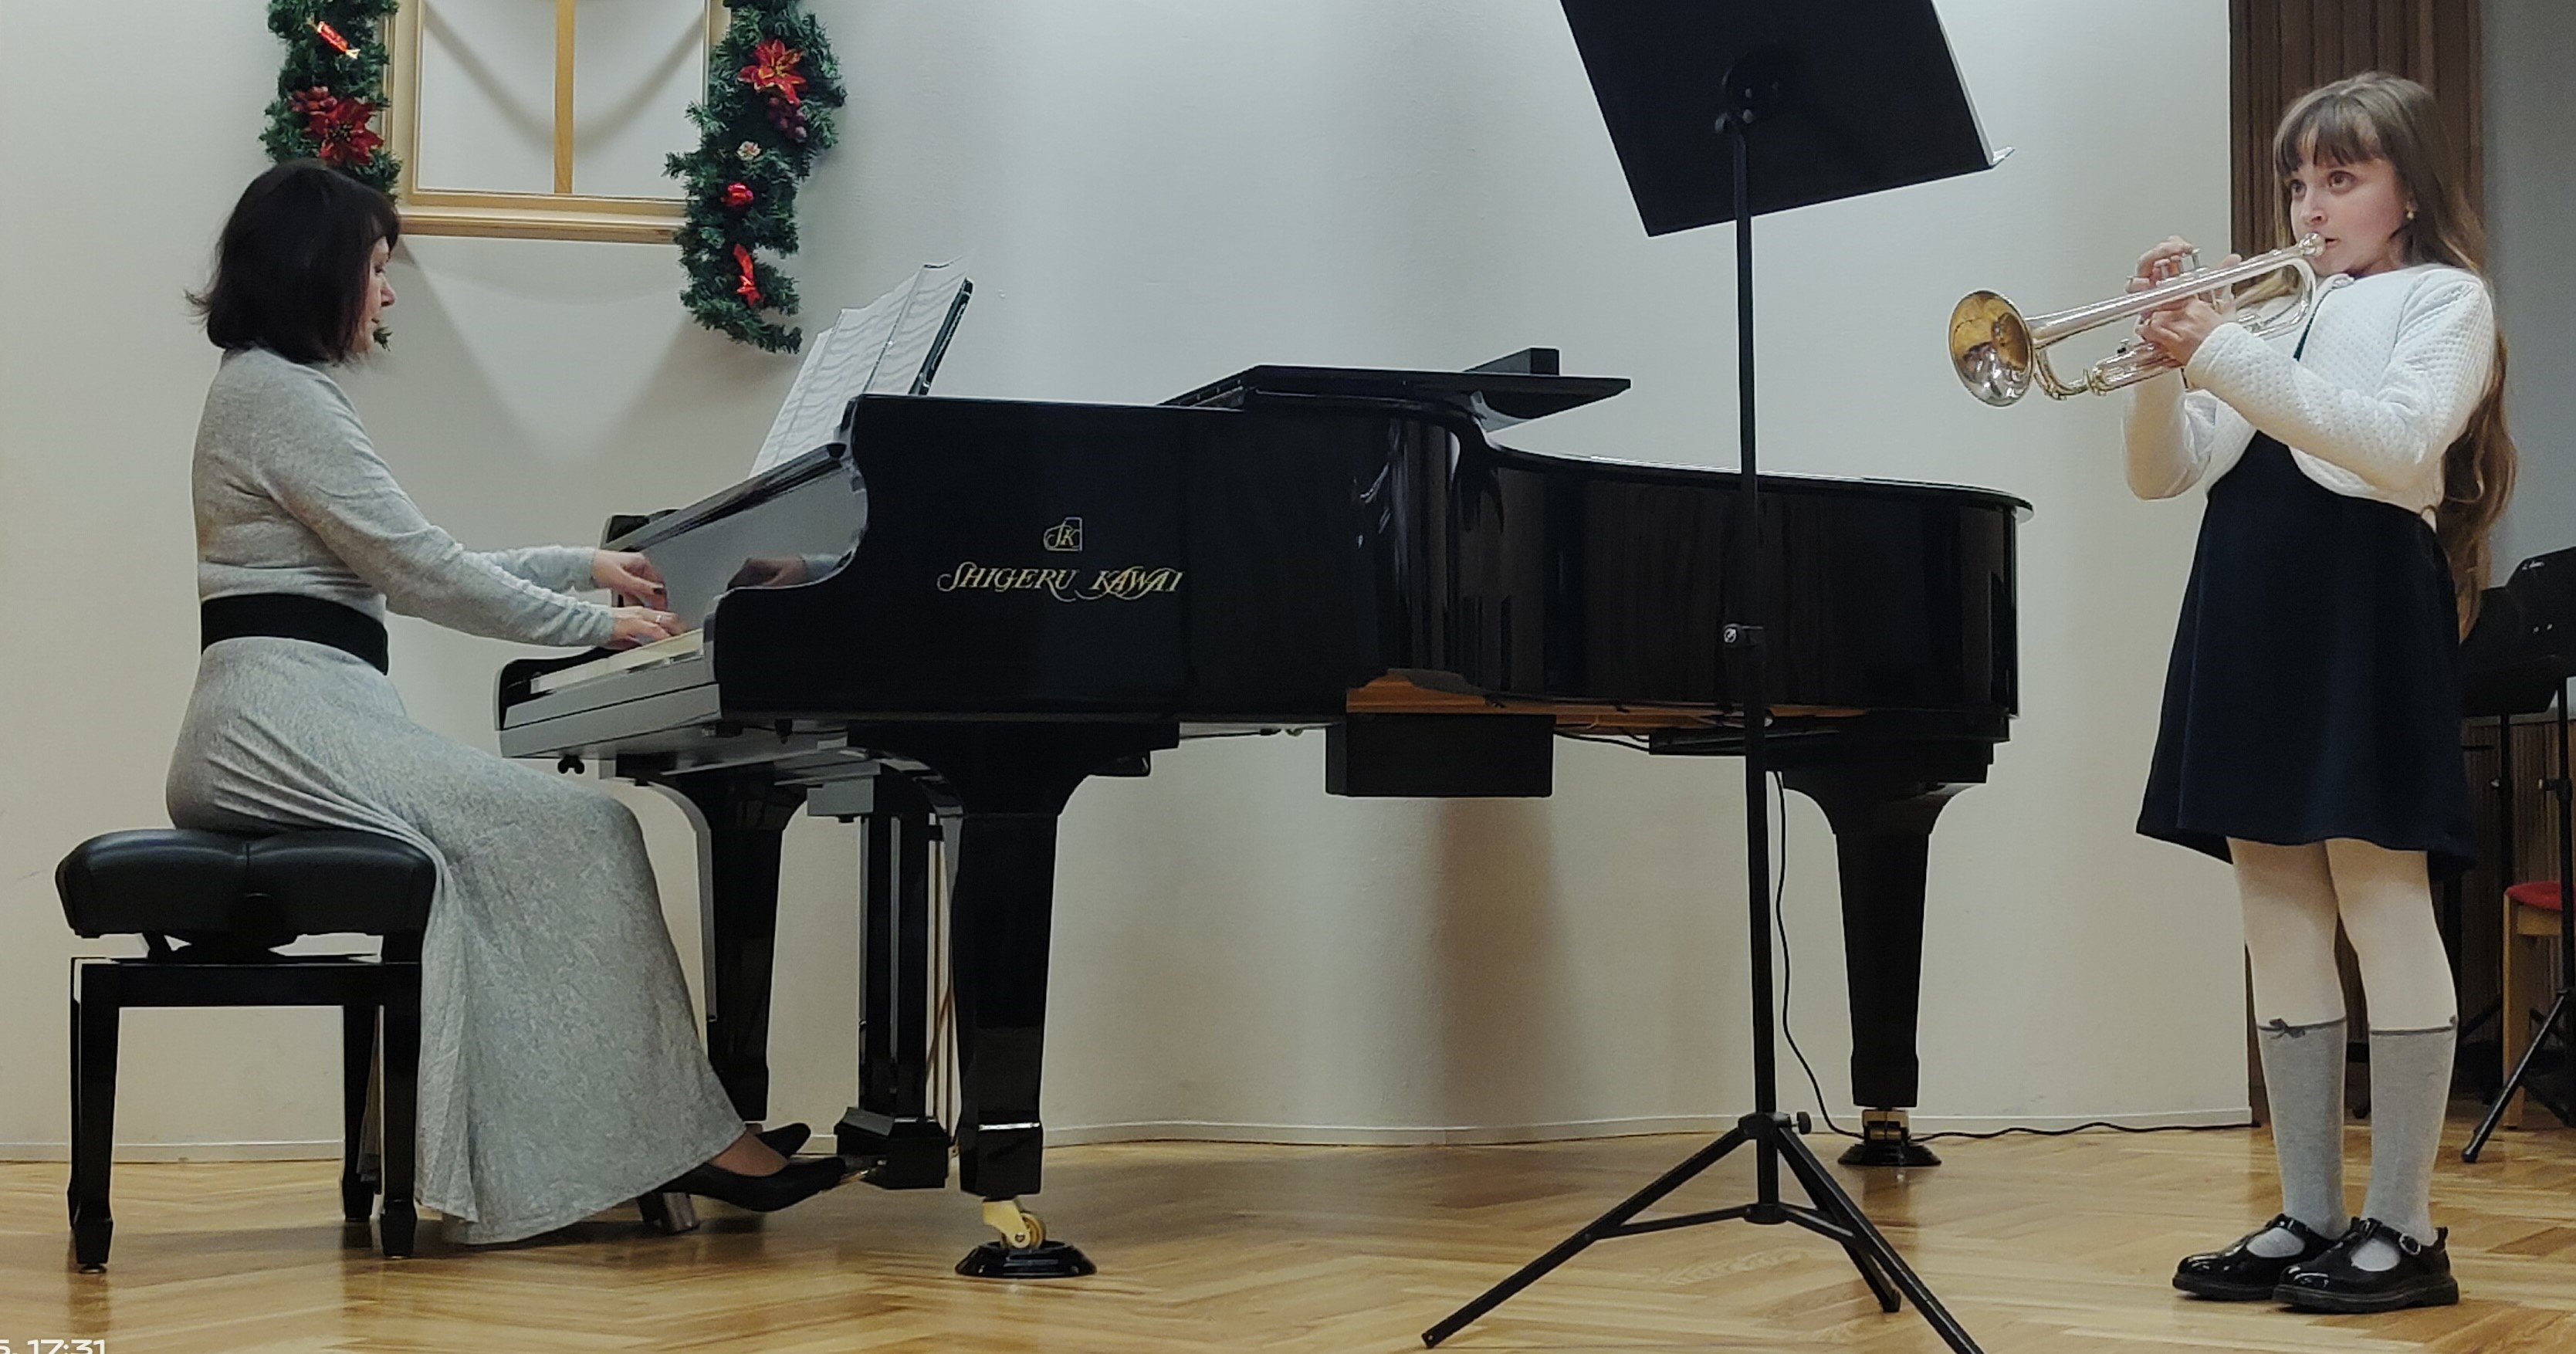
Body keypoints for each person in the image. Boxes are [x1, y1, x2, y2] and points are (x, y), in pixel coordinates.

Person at [168, 160, 847, 1244]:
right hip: (276, 722)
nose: (386, 291)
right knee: (587, 831)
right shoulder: (278, 395)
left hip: (294, 711)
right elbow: (422, 573)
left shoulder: (271, 390)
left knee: (554, 839)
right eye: (376, 267)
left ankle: (636, 1137)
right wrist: (598, 626)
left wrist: (584, 567)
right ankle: (686, 1138)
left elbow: (412, 558)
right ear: (317, 268)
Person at [2123, 72, 2514, 1313]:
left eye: (2339, 179)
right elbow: (2159, 474)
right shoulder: (2274, 307)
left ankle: (2403, 1226)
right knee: (2274, 904)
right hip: (2245, 598)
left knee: (2380, 894)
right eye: (2298, 180)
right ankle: (2308, 1213)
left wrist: (2217, 344)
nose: (2308, 205)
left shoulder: (2443, 297)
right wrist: (2158, 360)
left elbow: (2392, 442)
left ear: (2409, 192)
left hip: (2360, 597)